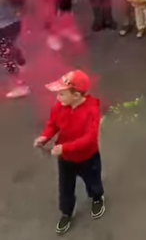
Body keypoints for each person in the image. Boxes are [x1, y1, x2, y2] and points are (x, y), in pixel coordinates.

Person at [34, 70, 105, 235]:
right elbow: (53, 124)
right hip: (65, 159)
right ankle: (66, 212)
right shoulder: (60, 106)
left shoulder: (91, 110)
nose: (57, 98)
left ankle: (97, 197)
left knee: (92, 180)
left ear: (76, 95)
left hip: (88, 157)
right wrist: (45, 136)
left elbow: (90, 138)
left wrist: (64, 148)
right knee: (65, 187)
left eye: (61, 94)